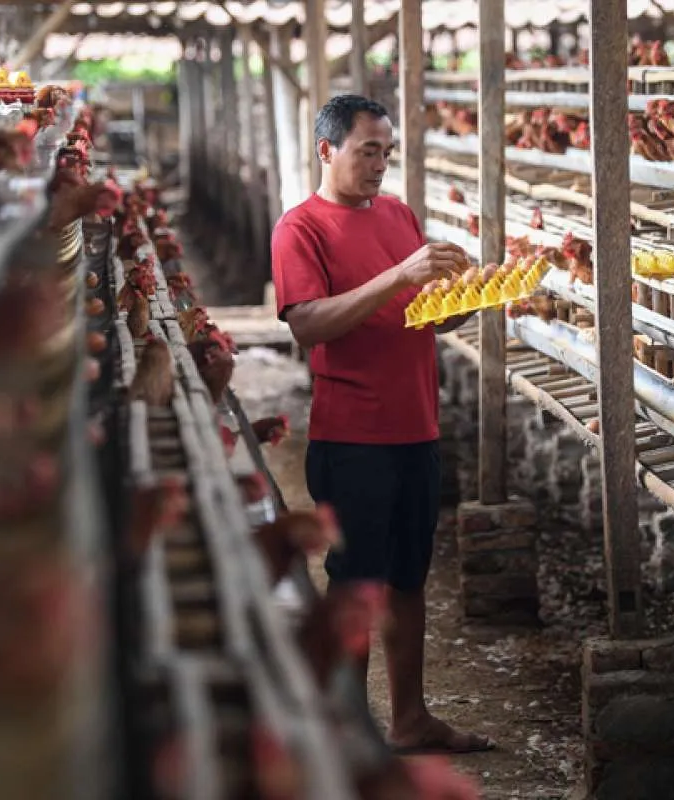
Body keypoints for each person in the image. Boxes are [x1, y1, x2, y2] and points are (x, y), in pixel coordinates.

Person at [271, 94, 492, 755]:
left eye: (386, 153)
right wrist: (399, 272)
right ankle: (346, 727)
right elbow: (308, 323)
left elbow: (420, 314)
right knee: (357, 582)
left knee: (407, 579)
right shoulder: (300, 228)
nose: (379, 166)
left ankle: (410, 717)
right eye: (368, 151)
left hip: (414, 426)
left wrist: (474, 299)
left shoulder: (397, 215)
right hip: (353, 435)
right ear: (326, 150)